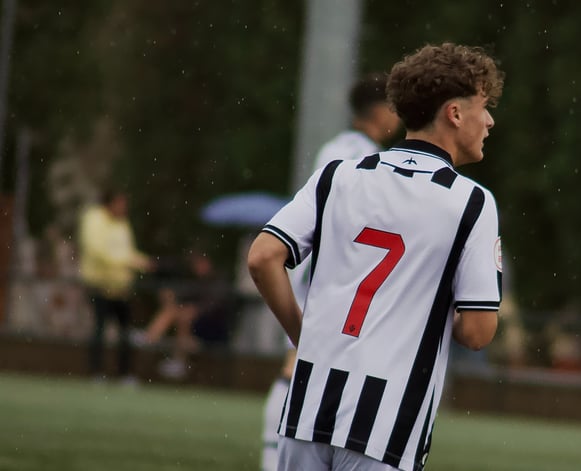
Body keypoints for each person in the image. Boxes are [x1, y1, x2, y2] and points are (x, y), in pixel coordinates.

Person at [248, 42, 503, 471]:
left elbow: (263, 257)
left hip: (308, 409)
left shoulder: (339, 175)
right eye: (484, 106)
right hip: (387, 428)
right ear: (455, 114)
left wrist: (301, 333)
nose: (490, 120)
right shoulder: (471, 201)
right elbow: (478, 332)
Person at [260, 72, 401, 471]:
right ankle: (273, 458)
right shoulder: (353, 155)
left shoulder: (341, 148)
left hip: (332, 280)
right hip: (334, 283)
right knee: (298, 368)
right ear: (383, 110)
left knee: (307, 375)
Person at [78, 189, 153, 384]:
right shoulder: (94, 219)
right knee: (99, 331)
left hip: (122, 288)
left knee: (125, 332)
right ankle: (96, 373)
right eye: (120, 203)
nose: (123, 208)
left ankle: (125, 374)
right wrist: (129, 262)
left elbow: (128, 251)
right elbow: (97, 251)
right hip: (100, 285)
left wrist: (143, 261)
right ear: (109, 203)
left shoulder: (122, 223)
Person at [142, 251, 234, 379]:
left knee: (183, 315)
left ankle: (155, 342)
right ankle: (151, 339)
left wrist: (196, 310)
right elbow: (184, 299)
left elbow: (215, 307)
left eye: (200, 263)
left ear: (207, 263)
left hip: (211, 328)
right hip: (192, 325)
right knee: (173, 310)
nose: (198, 267)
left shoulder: (217, 281)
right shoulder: (195, 279)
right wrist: (172, 298)